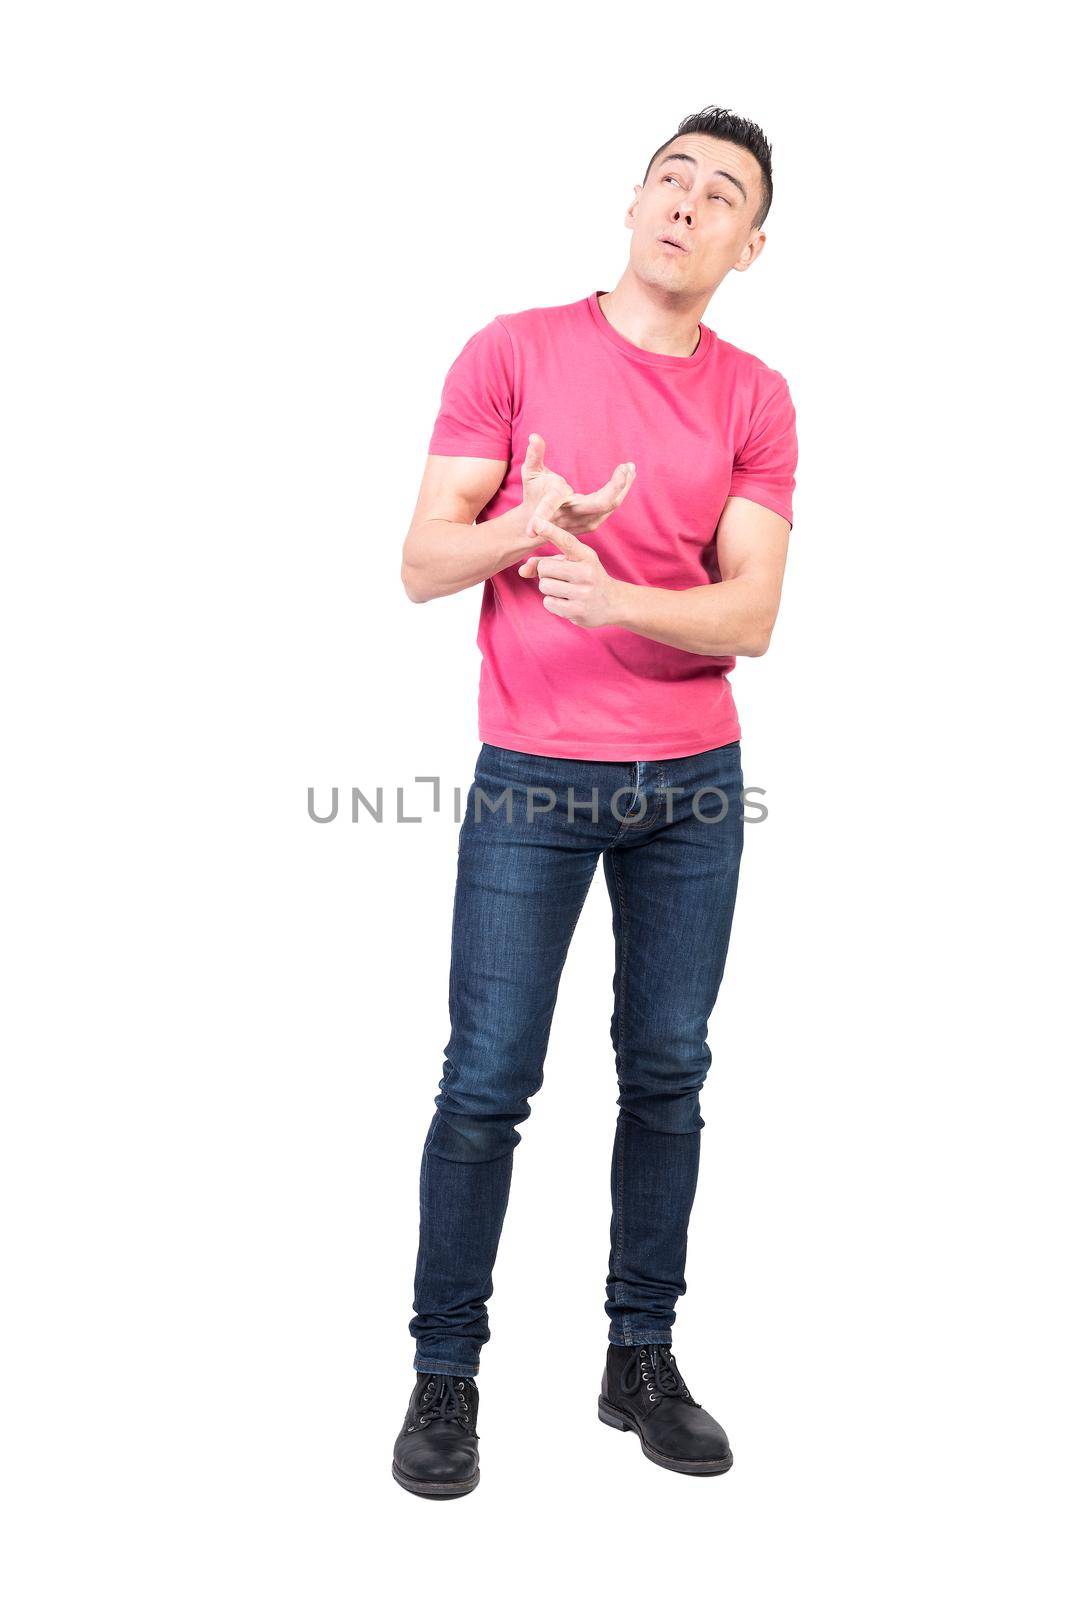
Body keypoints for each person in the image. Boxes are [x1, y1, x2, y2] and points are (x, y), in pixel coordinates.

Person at [393, 104, 798, 1497]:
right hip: (534, 778)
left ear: (752, 245)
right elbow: (422, 562)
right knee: (488, 1080)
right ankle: (445, 1376)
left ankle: (640, 1357)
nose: (690, 201)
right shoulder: (512, 352)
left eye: (723, 193)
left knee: (670, 1074)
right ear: (633, 202)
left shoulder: (755, 396)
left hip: (691, 788)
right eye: (672, 177)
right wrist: (527, 523)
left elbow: (751, 615)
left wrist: (619, 590)